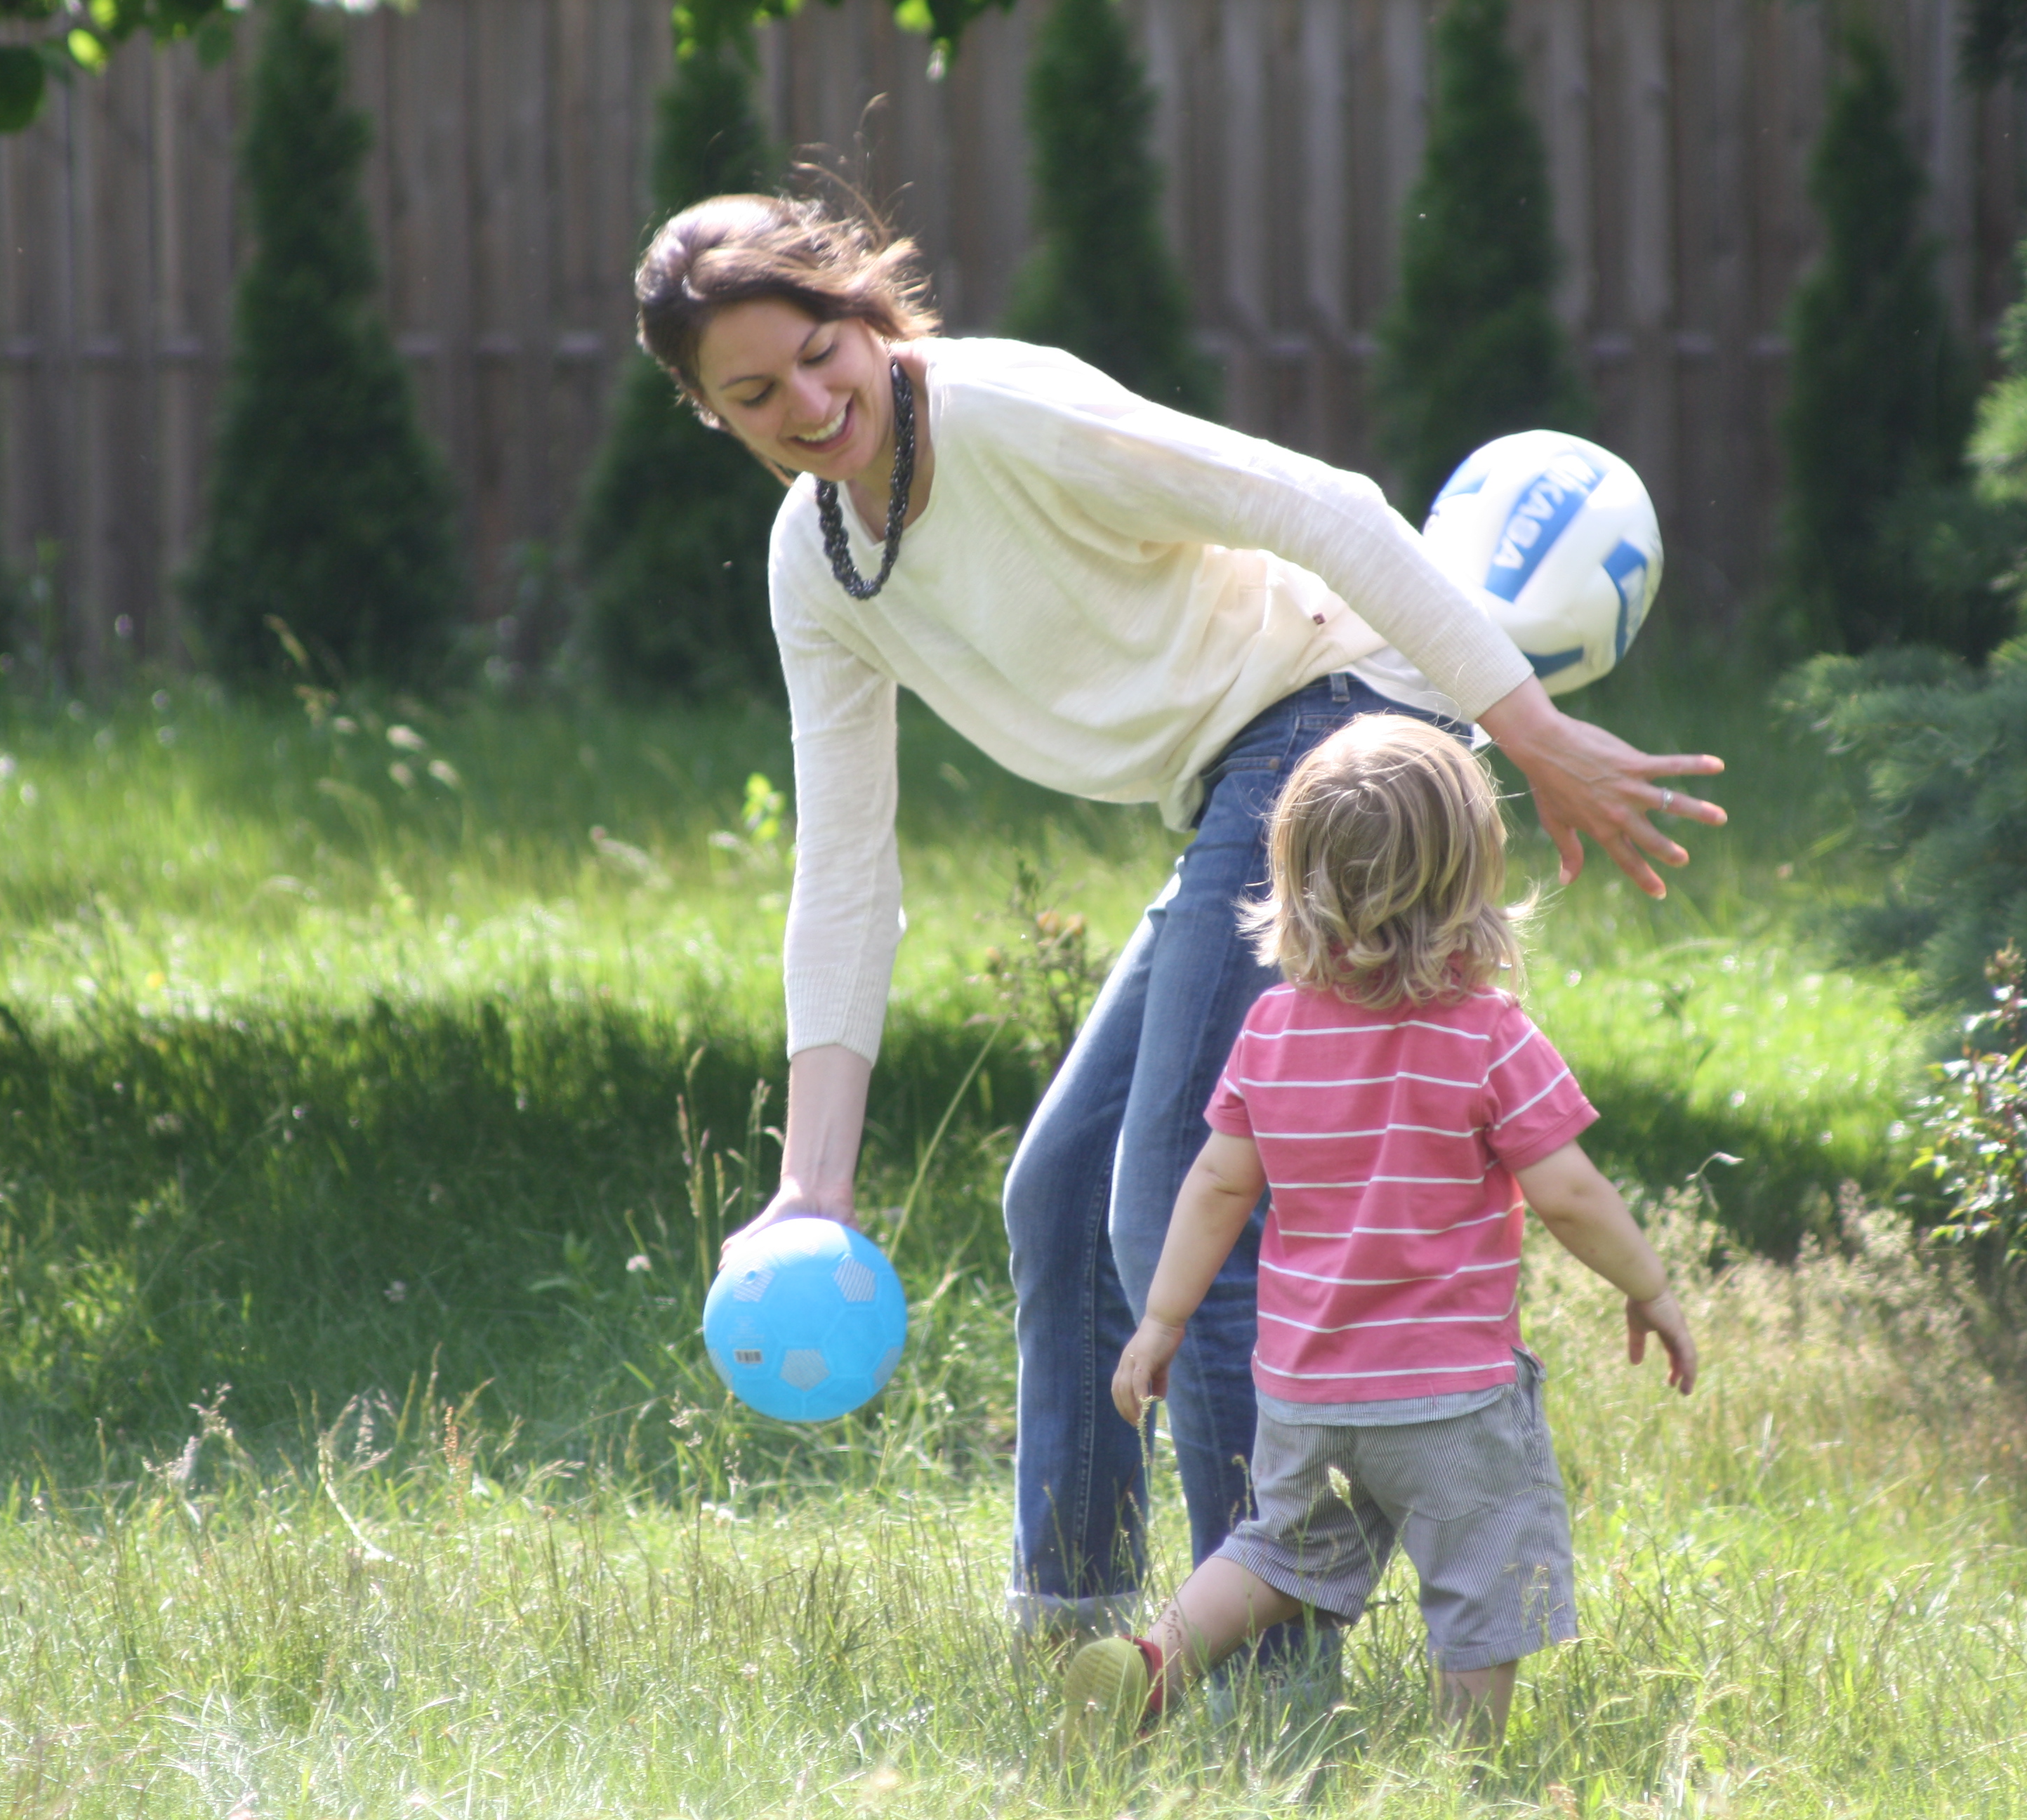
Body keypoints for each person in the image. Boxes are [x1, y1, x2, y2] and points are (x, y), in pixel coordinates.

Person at [629, 192, 1722, 1651]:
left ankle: (1265, 1655)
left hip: (1334, 717)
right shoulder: (815, 563)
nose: (811, 405)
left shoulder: (1009, 414)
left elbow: (1327, 505)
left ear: (867, 311)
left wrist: (1531, 731)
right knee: (1062, 1193)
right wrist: (809, 1188)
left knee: (1171, 1191)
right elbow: (843, 868)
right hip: (1230, 779)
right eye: (756, 395)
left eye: (823, 352)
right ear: (711, 414)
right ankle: (1077, 1626)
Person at [1059, 716, 1696, 1756]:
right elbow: (1570, 1194)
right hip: (1450, 1396)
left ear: (1297, 881)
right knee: (1482, 1577)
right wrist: (1650, 1287)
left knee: (1275, 1552)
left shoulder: (1271, 1031)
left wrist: (1162, 1321)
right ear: (1470, 879)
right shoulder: (1487, 1035)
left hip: (1306, 1392)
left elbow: (1216, 1183)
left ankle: (1155, 1658)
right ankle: (1460, 1772)